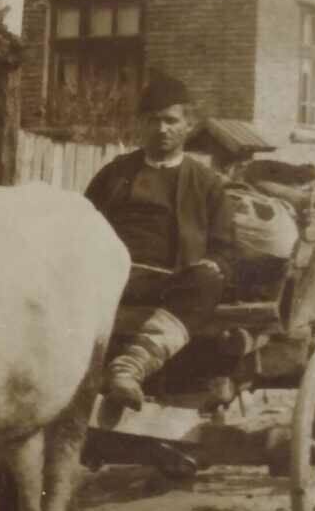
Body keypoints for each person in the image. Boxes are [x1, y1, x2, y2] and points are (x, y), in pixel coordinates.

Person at [84, 73, 235, 413]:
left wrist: (215, 264)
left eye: (171, 120)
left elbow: (225, 248)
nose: (162, 129)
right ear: (141, 125)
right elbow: (84, 222)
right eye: (154, 121)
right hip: (110, 277)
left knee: (210, 278)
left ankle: (130, 369)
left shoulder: (207, 183)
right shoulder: (115, 174)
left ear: (188, 125)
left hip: (170, 284)